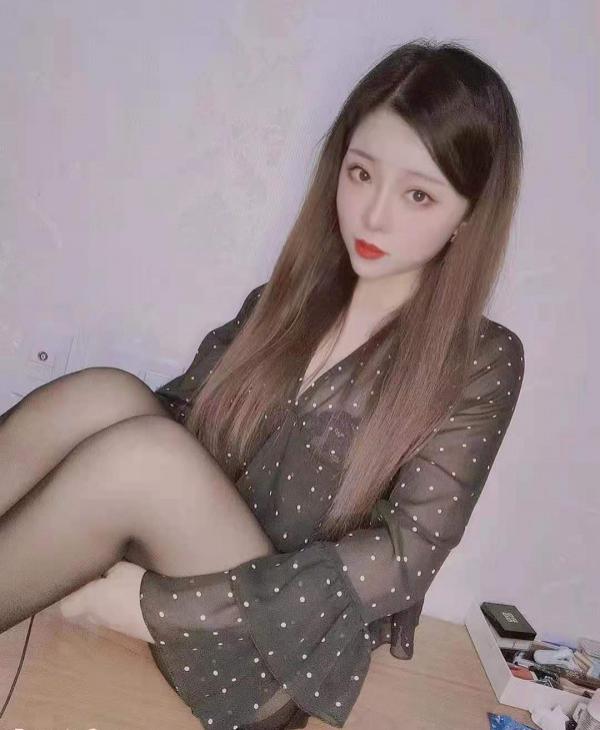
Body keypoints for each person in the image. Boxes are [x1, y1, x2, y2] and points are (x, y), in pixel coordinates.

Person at [0, 39, 526, 730]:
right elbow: (182, 420)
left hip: (273, 658)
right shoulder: (291, 299)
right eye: (361, 173)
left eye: (418, 194)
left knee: (144, 456)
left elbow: (402, 560)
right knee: (105, 393)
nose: (373, 215)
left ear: (468, 213)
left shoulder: (482, 360)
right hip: (185, 571)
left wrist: (153, 605)